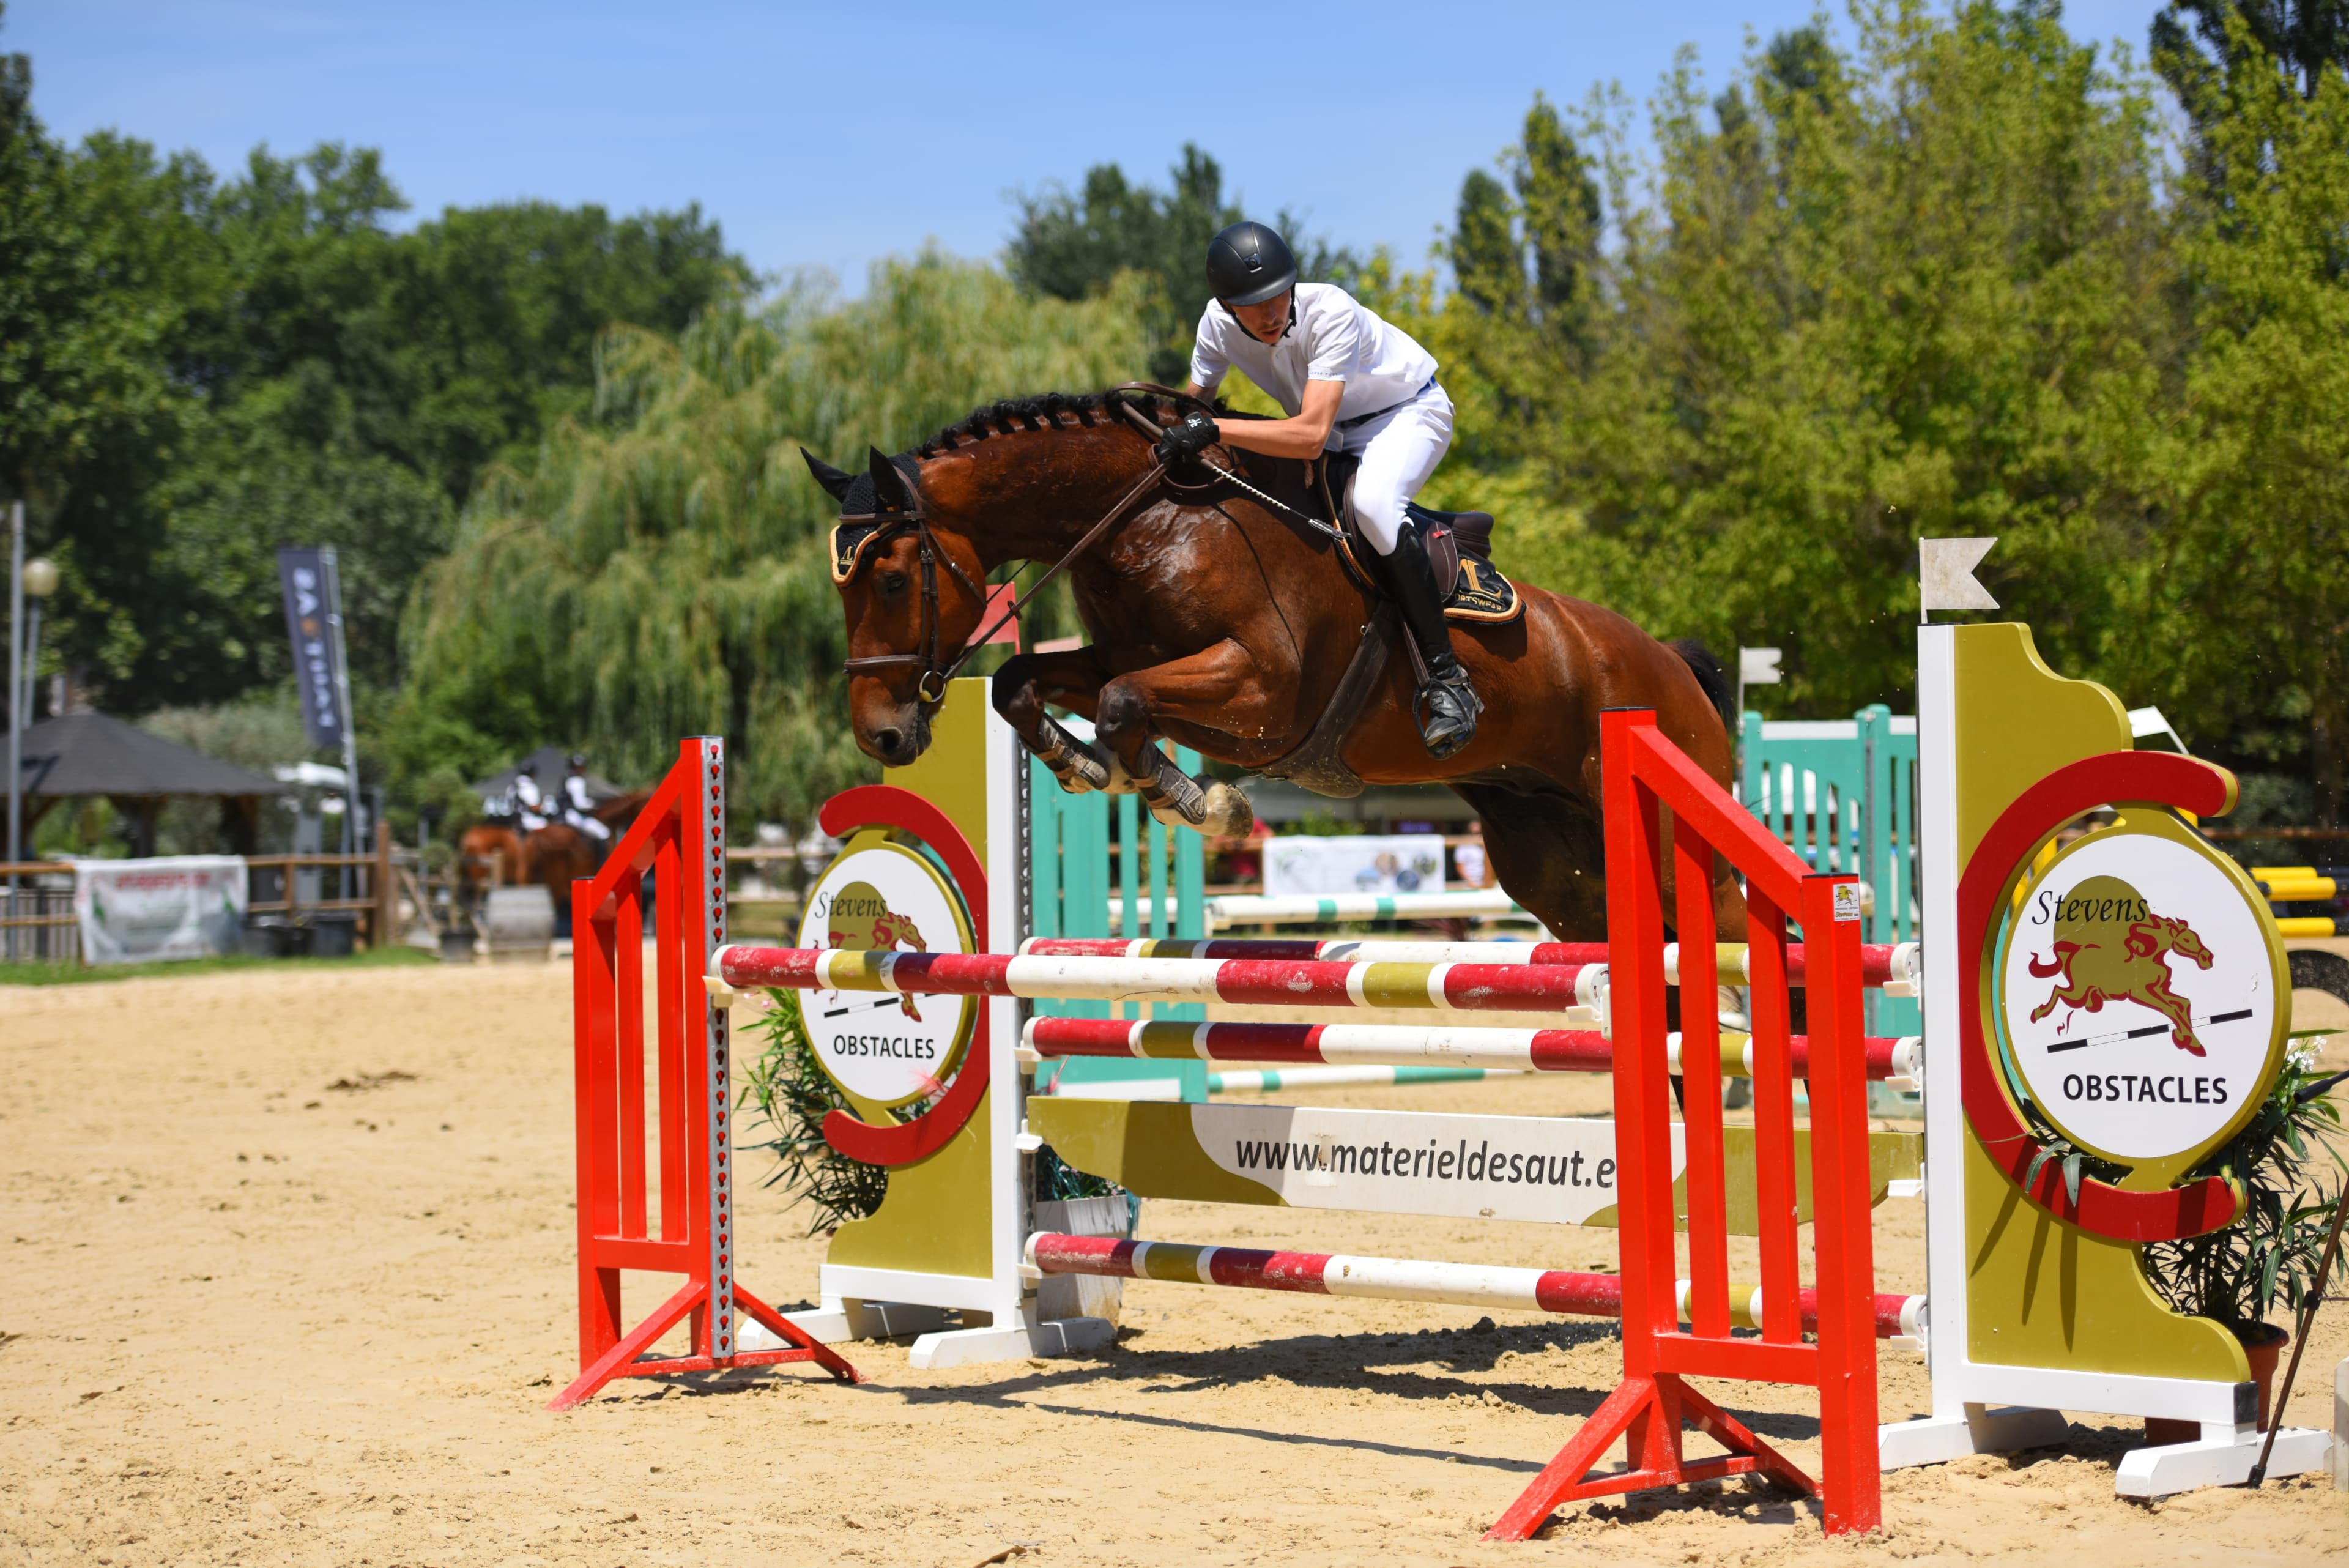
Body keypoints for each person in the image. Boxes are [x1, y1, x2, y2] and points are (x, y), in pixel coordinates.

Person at [1161, 220, 1481, 760]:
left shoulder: (1330, 310)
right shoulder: (1215, 325)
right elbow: (1192, 404)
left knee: (1374, 509)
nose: (1270, 313)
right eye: (1253, 304)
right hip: (1331, 433)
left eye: (1277, 295)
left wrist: (1212, 429)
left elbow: (1307, 435)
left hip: (1407, 413)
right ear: (1225, 304)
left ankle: (1449, 680)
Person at [560, 752, 610, 842]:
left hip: (566, 814)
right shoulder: (577, 781)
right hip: (574, 816)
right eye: (580, 767)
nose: (583, 769)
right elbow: (581, 804)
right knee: (604, 833)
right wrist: (595, 804)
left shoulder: (568, 778)